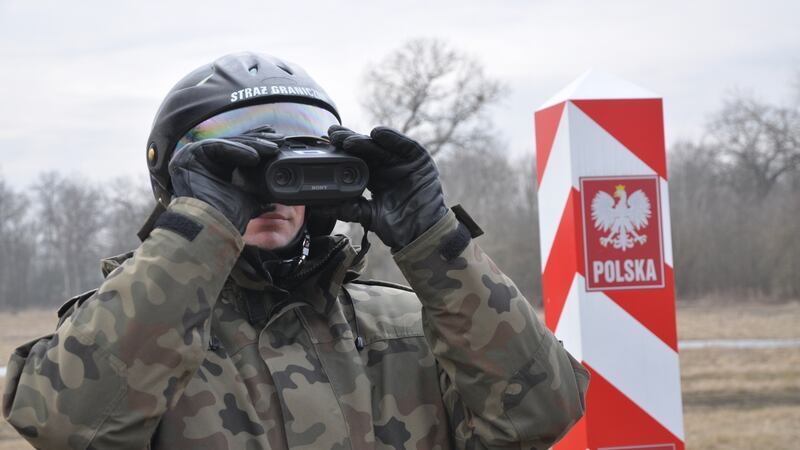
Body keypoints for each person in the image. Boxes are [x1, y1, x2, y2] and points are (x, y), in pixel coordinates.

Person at [3, 52, 588, 449]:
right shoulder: (135, 335)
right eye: (239, 168)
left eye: (290, 159)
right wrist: (198, 230)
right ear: (181, 186)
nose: (268, 189)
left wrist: (436, 241)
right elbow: (70, 428)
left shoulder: (407, 325)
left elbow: (541, 413)